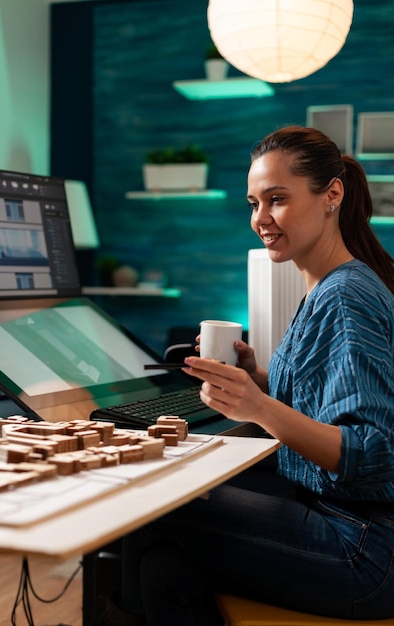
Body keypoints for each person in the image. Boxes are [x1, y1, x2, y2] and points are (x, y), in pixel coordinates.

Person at [97, 126, 394, 625]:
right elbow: (329, 404)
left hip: (362, 548)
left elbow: (374, 453)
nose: (261, 219)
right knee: (165, 572)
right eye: (253, 203)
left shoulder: (344, 296)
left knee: (148, 501)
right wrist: (257, 379)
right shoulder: (333, 287)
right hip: (343, 522)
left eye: (277, 200)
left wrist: (259, 408)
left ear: (332, 195)